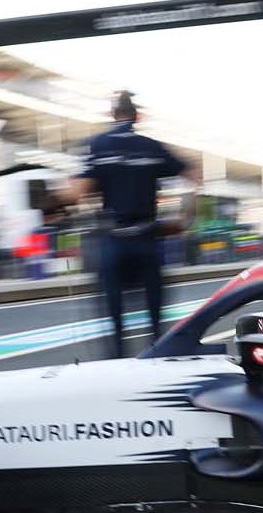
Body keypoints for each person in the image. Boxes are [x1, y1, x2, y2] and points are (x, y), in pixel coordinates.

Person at [62, 91, 190, 358]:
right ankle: (158, 360)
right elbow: (192, 173)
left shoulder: (97, 145)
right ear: (137, 116)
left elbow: (77, 193)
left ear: (112, 114)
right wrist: (185, 217)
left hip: (113, 240)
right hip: (147, 239)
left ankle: (119, 365)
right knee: (156, 320)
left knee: (114, 319)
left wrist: (57, 203)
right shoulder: (152, 147)